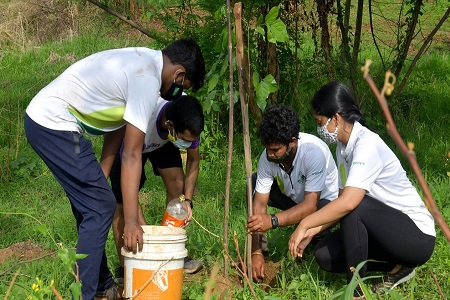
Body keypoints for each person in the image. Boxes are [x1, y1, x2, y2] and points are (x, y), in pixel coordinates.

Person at [24, 38, 205, 300]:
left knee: (91, 207)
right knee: (101, 208)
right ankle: (87, 294)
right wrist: (131, 222)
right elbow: (131, 155)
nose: (178, 93)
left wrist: (102, 173)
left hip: (47, 121)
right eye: (182, 87)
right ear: (179, 74)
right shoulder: (147, 79)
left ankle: (102, 287)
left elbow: (118, 127)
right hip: (54, 123)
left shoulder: (145, 62)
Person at [288, 81, 436, 298]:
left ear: (336, 118)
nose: (319, 129)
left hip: (417, 236)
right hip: (385, 231)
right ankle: (399, 267)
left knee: (355, 206)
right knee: (324, 255)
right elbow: (340, 204)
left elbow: (348, 203)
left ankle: (356, 291)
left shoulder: (368, 144)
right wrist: (314, 230)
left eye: (320, 122)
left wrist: (305, 223)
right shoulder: (342, 148)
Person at [110, 95, 204, 284]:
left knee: (178, 184)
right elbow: (128, 187)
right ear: (170, 125)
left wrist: (187, 201)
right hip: (129, 145)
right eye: (184, 139)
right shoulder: (142, 116)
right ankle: (126, 265)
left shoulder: (187, 116)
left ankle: (171, 250)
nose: (187, 144)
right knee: (122, 206)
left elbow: (193, 160)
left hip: (162, 140)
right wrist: (144, 231)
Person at [246, 104, 339, 282]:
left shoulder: (313, 153)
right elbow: (259, 204)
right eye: (267, 149)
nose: (270, 155)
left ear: (292, 141)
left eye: (275, 150)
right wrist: (255, 251)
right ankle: (263, 252)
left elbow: (310, 206)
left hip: (324, 204)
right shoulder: (268, 156)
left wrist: (272, 220)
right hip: (297, 200)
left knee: (316, 237)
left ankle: (319, 236)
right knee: (253, 183)